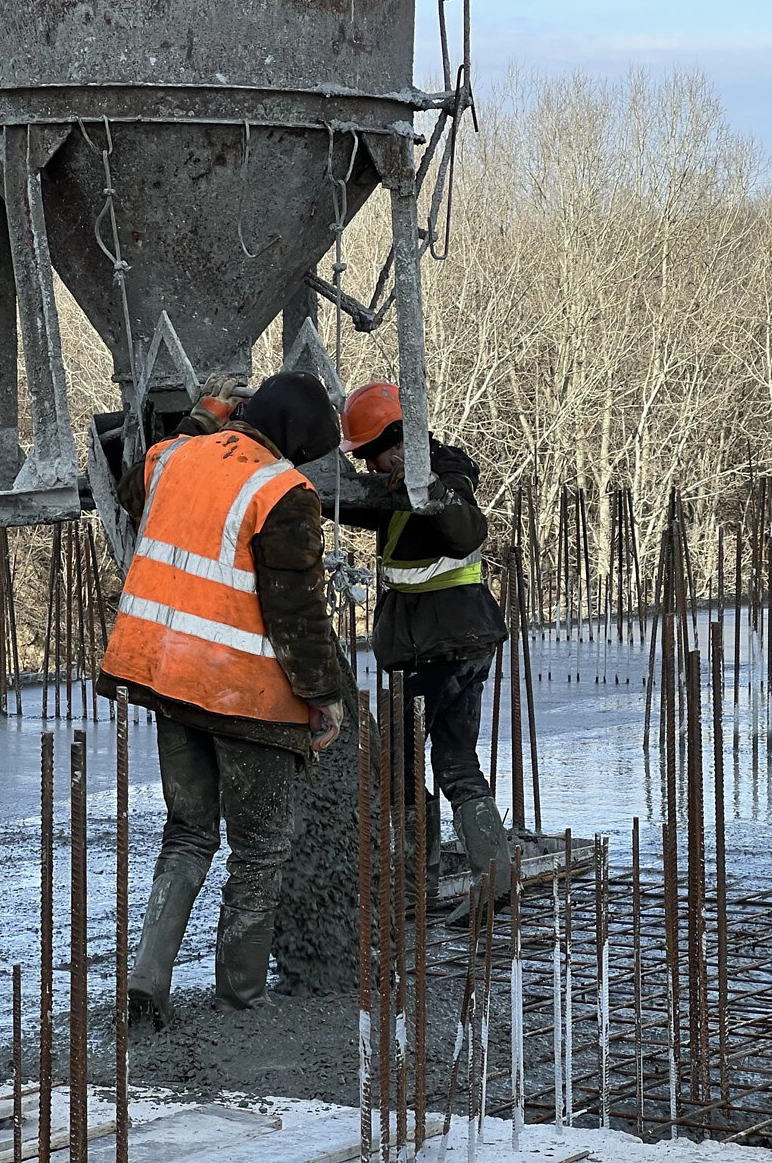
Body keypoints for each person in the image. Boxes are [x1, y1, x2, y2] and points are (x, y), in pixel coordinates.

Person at [98, 372, 346, 1030]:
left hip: (167, 681)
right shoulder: (283, 492)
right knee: (261, 848)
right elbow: (296, 613)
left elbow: (131, 493)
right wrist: (324, 697)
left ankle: (147, 977)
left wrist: (200, 419)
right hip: (245, 697)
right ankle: (241, 999)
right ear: (295, 438)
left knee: (186, 833)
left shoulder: (175, 455)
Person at [336, 382, 512, 907]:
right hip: (461, 640)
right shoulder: (397, 486)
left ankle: (416, 887)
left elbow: (464, 532)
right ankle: (491, 874)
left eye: (373, 453)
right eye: (362, 457)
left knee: (404, 766)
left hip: (434, 648)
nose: (368, 466)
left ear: (402, 439)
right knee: (454, 760)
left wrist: (429, 487)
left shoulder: (443, 479)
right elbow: (351, 504)